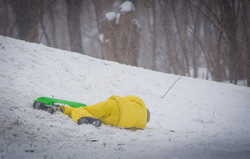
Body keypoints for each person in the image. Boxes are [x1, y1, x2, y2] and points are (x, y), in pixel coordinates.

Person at [59, 95, 150, 129]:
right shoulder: (141, 124)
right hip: (118, 121)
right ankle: (91, 119)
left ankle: (65, 110)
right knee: (97, 116)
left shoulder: (140, 102)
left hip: (115, 106)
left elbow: (126, 98)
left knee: (86, 110)